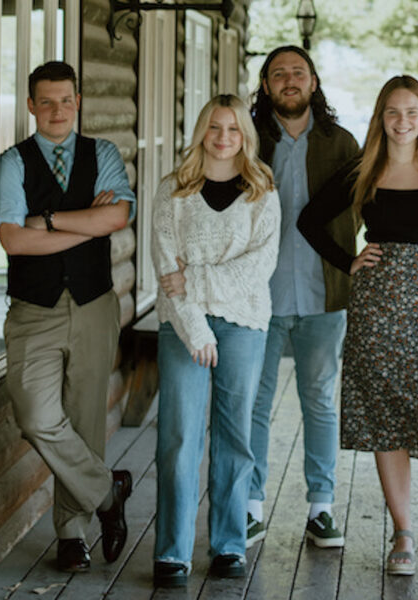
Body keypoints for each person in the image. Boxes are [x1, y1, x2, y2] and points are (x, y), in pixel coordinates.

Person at [298, 75, 418, 589]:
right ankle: (403, 534)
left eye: (412, 112)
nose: (403, 121)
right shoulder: (365, 170)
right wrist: (350, 260)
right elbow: (309, 221)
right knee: (388, 423)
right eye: (393, 112)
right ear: (380, 117)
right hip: (377, 314)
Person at [0, 61, 135, 573]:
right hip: (34, 310)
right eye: (46, 101)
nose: (58, 110)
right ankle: (107, 491)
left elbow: (119, 215)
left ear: (79, 102)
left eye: (66, 100)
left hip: (95, 303)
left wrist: (50, 221)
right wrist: (88, 226)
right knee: (36, 415)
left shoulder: (103, 154)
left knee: (84, 419)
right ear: (31, 105)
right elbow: (13, 239)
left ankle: (72, 536)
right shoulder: (13, 162)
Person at [151, 94, 280, 588]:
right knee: (179, 437)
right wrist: (198, 329)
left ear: (244, 136)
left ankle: (228, 544)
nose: (223, 137)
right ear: (201, 132)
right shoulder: (174, 192)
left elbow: (258, 268)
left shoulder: (261, 191)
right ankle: (173, 552)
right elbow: (167, 272)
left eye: (233, 129)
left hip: (245, 323)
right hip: (182, 327)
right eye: (214, 128)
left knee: (235, 436)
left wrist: (199, 281)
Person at [247, 46, 358, 548]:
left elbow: (368, 208)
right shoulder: (246, 140)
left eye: (298, 73)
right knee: (253, 401)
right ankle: (248, 507)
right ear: (265, 85)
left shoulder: (343, 143)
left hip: (323, 294)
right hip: (255, 298)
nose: (289, 81)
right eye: (278, 74)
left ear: (313, 82)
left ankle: (321, 508)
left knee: (319, 400)